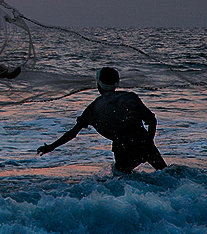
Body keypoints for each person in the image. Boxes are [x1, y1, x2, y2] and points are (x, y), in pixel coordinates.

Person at [36, 67, 167, 173]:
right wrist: (148, 143)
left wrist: (51, 147)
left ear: (98, 85)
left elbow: (73, 133)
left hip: (121, 145)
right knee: (165, 174)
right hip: (142, 138)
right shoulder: (130, 97)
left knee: (124, 180)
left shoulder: (93, 108)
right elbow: (152, 120)